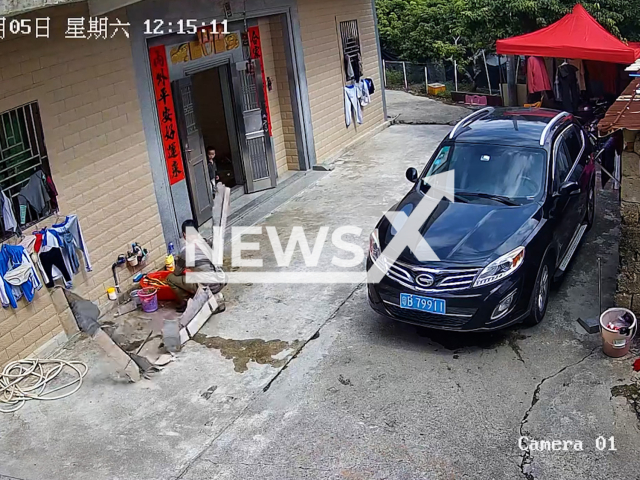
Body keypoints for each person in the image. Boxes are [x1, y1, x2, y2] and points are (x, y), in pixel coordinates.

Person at [166, 219, 224, 312]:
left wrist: (180, 261)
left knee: (170, 278)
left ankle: (186, 303)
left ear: (184, 234)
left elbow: (177, 272)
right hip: (220, 281)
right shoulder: (208, 242)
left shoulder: (186, 251)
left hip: (207, 285)